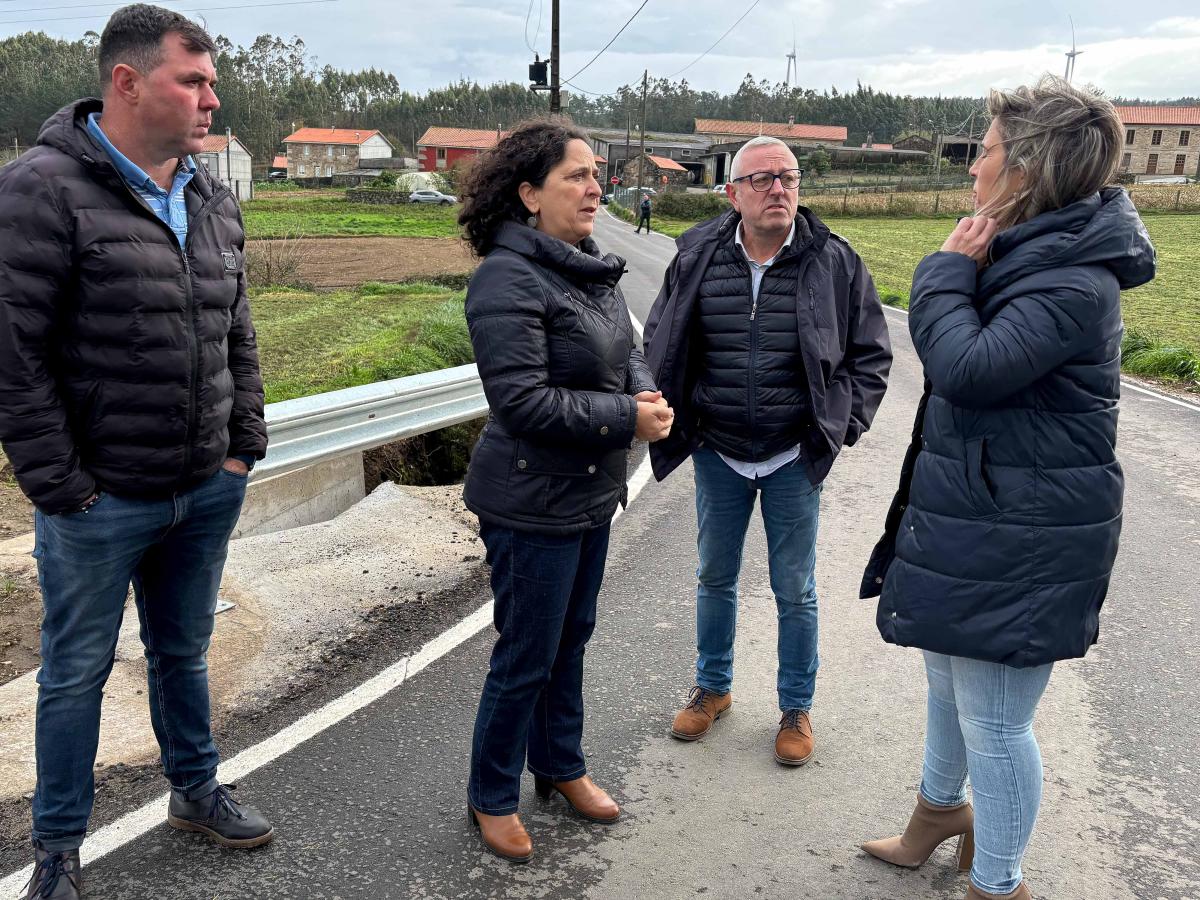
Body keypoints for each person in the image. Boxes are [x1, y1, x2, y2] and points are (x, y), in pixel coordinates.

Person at [0, 5, 274, 898]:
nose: (211, 99)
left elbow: (236, 328)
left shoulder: (209, 194)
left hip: (205, 485)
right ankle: (57, 850)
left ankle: (195, 791)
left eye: (211, 82)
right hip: (100, 500)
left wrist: (242, 445)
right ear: (127, 82)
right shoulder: (40, 190)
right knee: (75, 673)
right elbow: (13, 355)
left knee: (182, 652)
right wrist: (63, 487)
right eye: (192, 81)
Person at [859, 76, 1156, 900]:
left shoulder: (1072, 278)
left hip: (1024, 533)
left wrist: (944, 271)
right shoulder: (1029, 253)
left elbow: (968, 368)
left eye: (984, 152)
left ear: (1026, 168)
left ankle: (998, 885)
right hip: (980, 515)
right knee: (949, 688)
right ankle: (937, 816)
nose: (972, 167)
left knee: (994, 721)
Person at [457, 118, 674, 863]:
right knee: (527, 652)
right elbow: (522, 402)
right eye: (575, 176)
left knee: (570, 639)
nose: (594, 188)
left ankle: (560, 765)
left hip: (589, 492)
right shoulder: (505, 278)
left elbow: (628, 353)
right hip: (529, 501)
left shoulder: (586, 268)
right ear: (529, 195)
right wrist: (626, 418)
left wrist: (644, 394)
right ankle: (491, 794)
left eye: (595, 176)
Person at [643, 136, 892, 765]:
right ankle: (713, 688)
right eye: (761, 179)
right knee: (714, 575)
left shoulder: (835, 260)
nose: (777, 189)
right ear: (733, 193)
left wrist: (843, 425)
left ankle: (796, 708)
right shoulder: (697, 255)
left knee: (794, 587)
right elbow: (661, 336)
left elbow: (871, 354)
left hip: (792, 454)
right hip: (719, 449)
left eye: (788, 177)